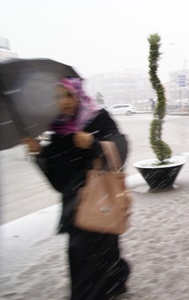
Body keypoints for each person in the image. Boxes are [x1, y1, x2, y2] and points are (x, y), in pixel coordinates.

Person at [23, 77, 130, 300]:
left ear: (78, 94)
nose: (64, 102)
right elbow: (59, 182)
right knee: (90, 259)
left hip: (102, 202)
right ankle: (115, 280)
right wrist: (40, 154)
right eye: (57, 97)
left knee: (88, 262)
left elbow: (120, 152)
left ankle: (110, 283)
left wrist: (94, 145)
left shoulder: (97, 119)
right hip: (76, 210)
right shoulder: (59, 130)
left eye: (68, 94)